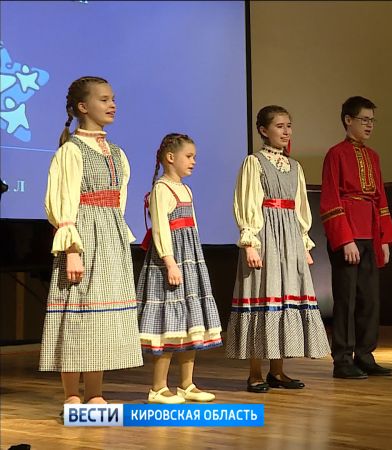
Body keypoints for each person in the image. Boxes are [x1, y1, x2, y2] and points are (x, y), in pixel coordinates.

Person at [40, 76, 142, 408]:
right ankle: (72, 395)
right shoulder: (71, 150)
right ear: (83, 107)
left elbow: (119, 201)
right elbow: (63, 201)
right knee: (77, 313)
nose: (112, 105)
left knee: (99, 320)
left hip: (109, 237)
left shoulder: (116, 152)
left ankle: (96, 393)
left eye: (113, 98)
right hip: (82, 238)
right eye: (103, 99)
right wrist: (72, 249)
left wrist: (114, 236)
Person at [226, 105, 330, 392]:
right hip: (265, 235)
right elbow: (247, 202)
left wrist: (303, 242)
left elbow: (300, 208)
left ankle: (279, 370)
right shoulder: (254, 162)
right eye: (280, 126)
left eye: (289, 126)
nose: (286, 131)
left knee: (285, 296)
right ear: (263, 130)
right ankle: (255, 372)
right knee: (262, 294)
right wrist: (250, 242)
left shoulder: (295, 167)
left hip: (289, 238)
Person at [137, 133, 221, 403]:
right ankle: (158, 387)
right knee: (169, 322)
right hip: (169, 262)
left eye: (194, 156)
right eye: (189, 156)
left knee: (189, 321)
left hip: (190, 259)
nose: (193, 161)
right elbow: (161, 228)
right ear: (170, 157)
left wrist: (195, 263)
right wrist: (170, 262)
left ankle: (187, 384)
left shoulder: (186, 189)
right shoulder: (162, 189)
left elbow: (192, 227)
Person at [320, 96, 392, 379]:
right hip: (349, 235)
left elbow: (381, 198)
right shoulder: (336, 154)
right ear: (347, 120)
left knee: (370, 299)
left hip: (370, 232)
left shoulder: (373, 156)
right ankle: (342, 359)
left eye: (372, 120)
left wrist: (385, 239)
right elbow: (330, 199)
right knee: (346, 299)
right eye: (364, 120)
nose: (369, 125)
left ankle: (365, 354)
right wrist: (345, 239)